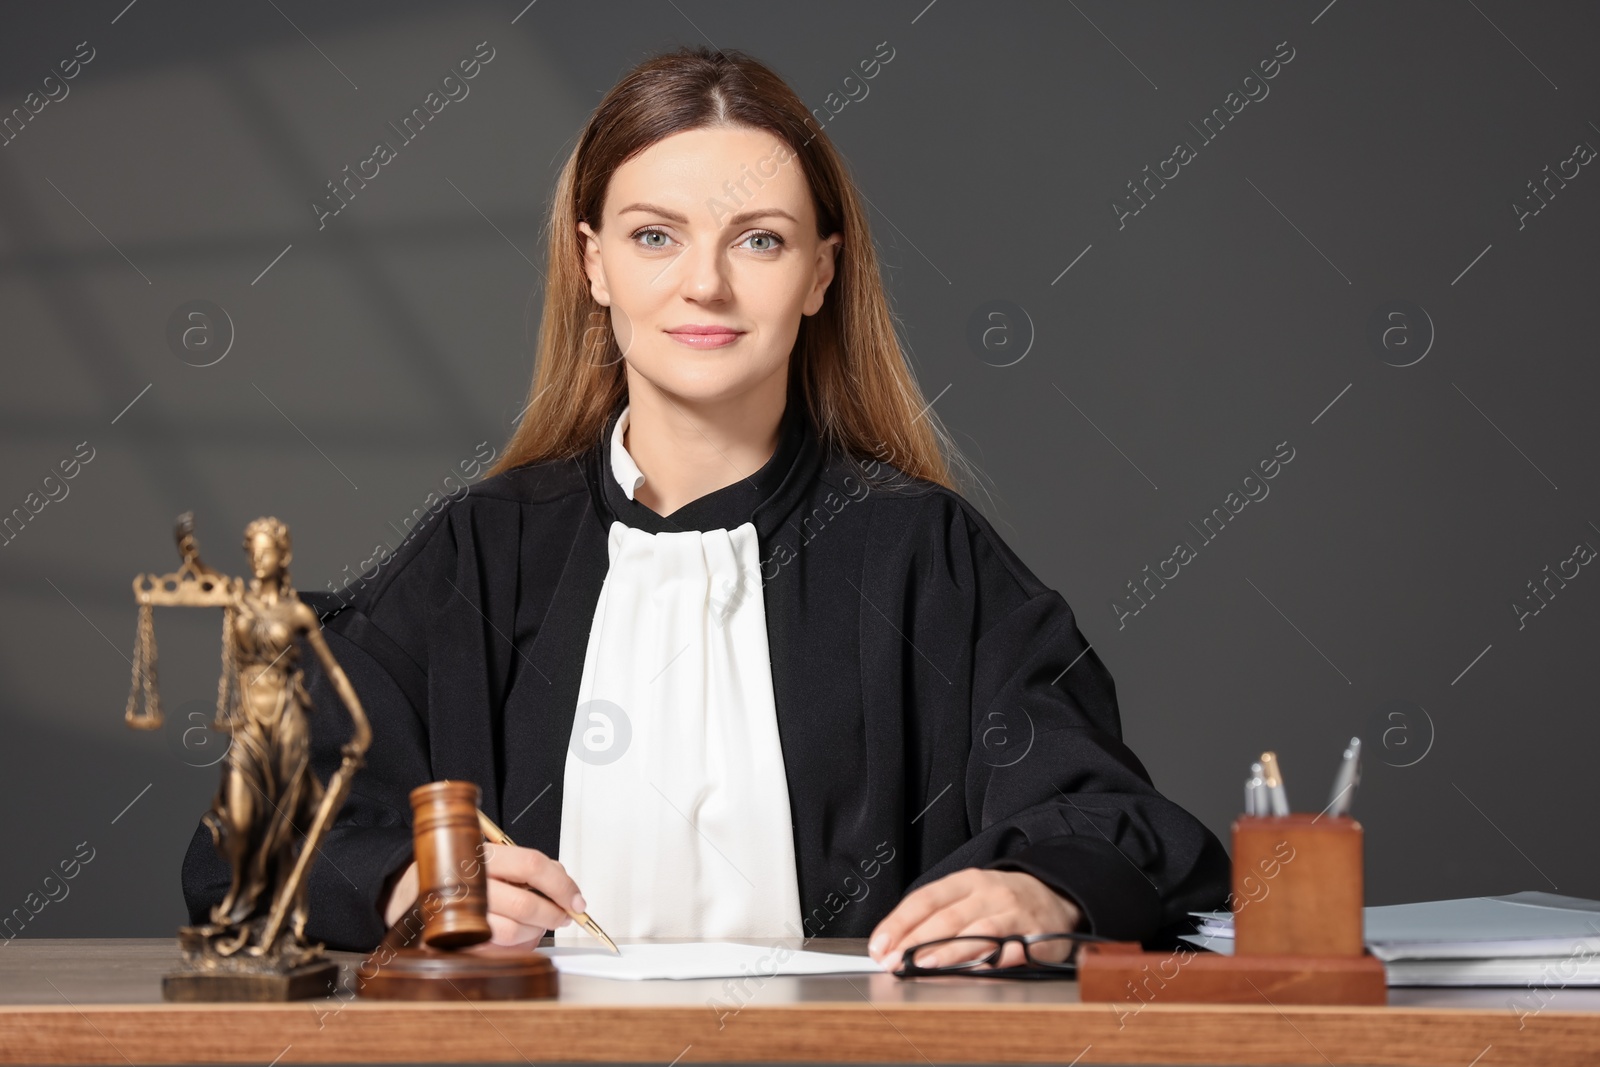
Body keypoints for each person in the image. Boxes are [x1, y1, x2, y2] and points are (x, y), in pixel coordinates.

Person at [182, 44, 1228, 971]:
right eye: (654, 236)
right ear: (592, 262)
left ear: (820, 274)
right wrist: (407, 887)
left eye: (759, 240)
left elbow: (1112, 816)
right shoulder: (478, 554)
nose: (706, 286)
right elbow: (255, 829)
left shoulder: (921, 554)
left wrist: (1041, 890)